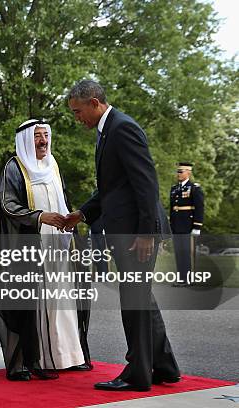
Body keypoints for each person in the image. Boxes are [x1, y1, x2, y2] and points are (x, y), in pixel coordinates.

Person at [65, 80, 180, 391]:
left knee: (135, 301)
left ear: (94, 102)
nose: (77, 118)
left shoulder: (122, 128)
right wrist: (83, 214)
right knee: (141, 297)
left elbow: (146, 183)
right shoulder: (108, 130)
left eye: (78, 111)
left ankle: (138, 374)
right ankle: (166, 366)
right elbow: (112, 188)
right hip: (126, 228)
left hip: (135, 233)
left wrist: (145, 234)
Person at [0, 119, 91, 381]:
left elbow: (63, 199)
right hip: (31, 243)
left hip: (59, 242)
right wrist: (39, 217)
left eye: (46, 135)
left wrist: (69, 220)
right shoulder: (14, 167)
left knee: (63, 299)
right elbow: (8, 205)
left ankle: (68, 356)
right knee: (37, 302)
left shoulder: (53, 164)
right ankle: (34, 359)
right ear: (27, 139)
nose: (43, 141)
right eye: (37, 136)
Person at [170, 162, 204, 286]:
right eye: (177, 171)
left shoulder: (194, 188)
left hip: (188, 226)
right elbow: (173, 209)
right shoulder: (174, 189)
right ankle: (181, 278)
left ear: (188, 172)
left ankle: (189, 279)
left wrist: (197, 226)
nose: (178, 174)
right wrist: (171, 226)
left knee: (186, 253)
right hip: (177, 226)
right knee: (179, 253)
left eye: (181, 171)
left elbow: (199, 208)